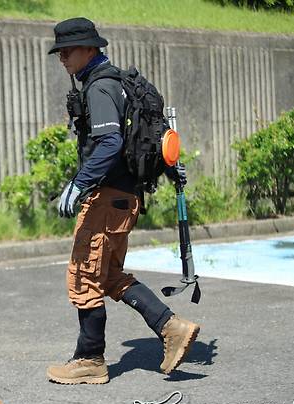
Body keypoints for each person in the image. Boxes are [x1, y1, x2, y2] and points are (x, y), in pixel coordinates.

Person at [46, 17, 200, 384]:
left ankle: (90, 359)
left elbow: (112, 143)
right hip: (123, 199)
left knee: (84, 274)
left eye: (68, 51)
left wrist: (78, 183)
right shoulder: (121, 84)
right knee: (108, 274)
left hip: (105, 197)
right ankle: (171, 327)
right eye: (59, 52)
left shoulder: (100, 88)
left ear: (89, 49)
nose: (63, 58)